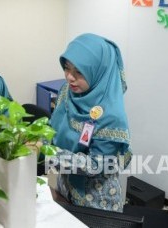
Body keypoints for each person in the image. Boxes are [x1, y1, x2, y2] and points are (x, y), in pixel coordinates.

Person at [49, 33, 132, 212]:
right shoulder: (68, 92)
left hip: (95, 202)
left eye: (79, 71)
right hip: (65, 186)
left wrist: (47, 152)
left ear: (98, 71)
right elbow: (53, 127)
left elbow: (95, 165)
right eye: (66, 68)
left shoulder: (111, 117)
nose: (70, 77)